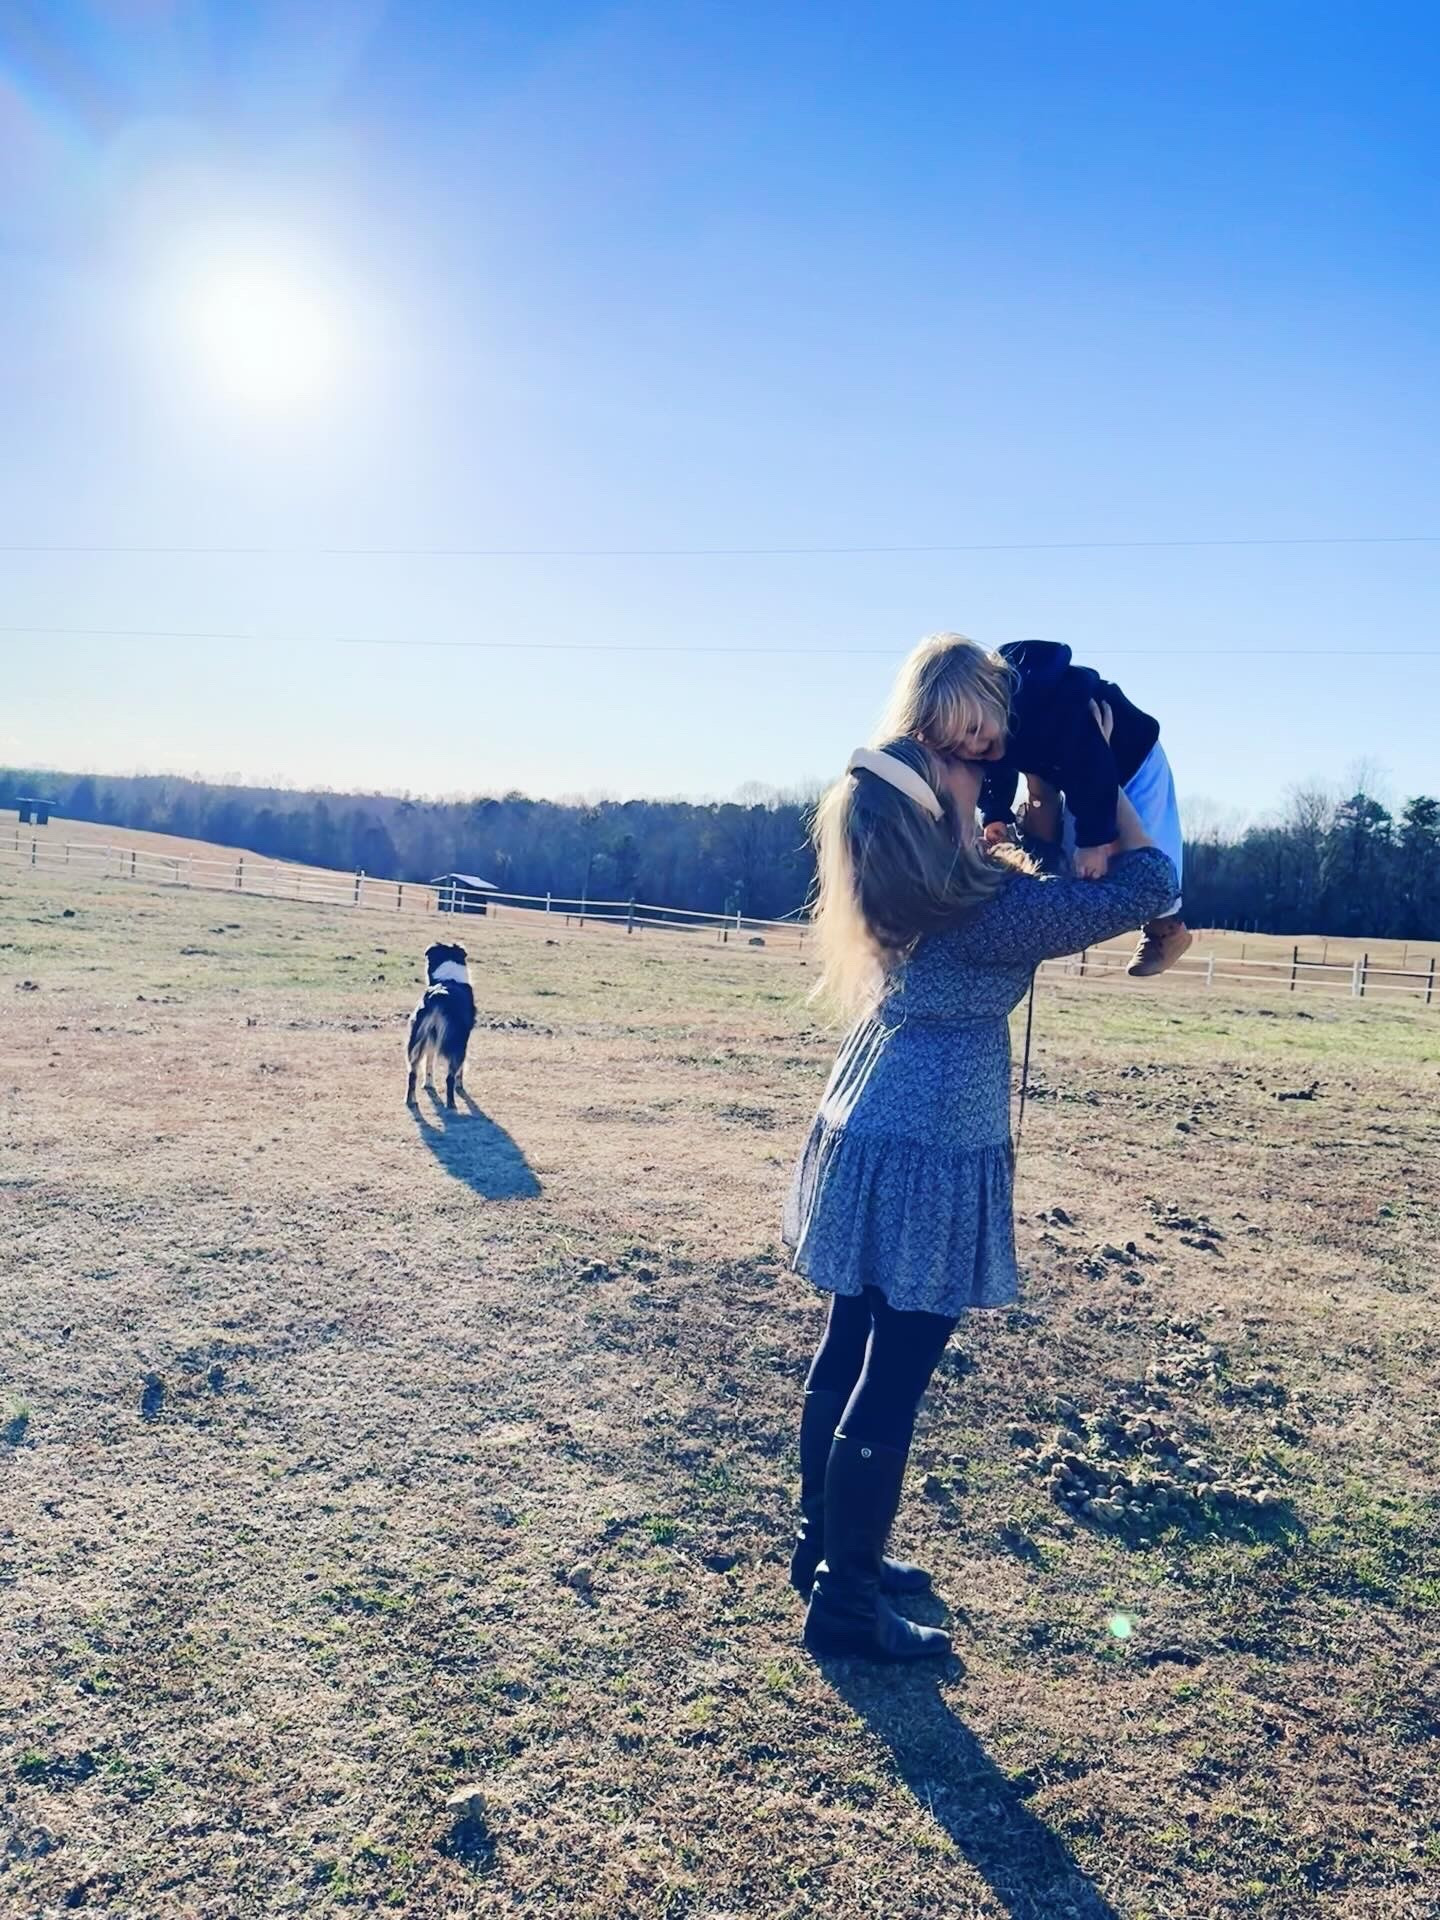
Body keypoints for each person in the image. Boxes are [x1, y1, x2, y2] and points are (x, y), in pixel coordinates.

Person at [783, 731, 1177, 1662]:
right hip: (930, 1144)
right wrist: (1096, 779)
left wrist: (1029, 830)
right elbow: (1150, 882)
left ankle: (827, 1551)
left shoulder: (906, 884)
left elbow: (1031, 888)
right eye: (961, 766)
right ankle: (844, 1605)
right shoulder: (988, 910)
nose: (978, 770)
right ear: (935, 808)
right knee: (895, 1373)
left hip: (868, 1115)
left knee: (852, 1340)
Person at [878, 631, 1191, 977]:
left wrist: (1094, 841)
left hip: (1131, 758)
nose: (972, 746)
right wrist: (996, 813)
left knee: (1150, 855)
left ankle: (1167, 929)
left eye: (973, 730)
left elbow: (1091, 765)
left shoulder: (1053, 714)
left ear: (991, 693)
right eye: (957, 746)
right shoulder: (989, 725)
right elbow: (996, 765)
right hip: (1072, 776)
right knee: (1077, 871)